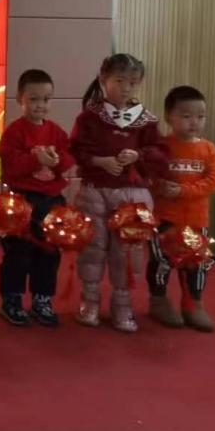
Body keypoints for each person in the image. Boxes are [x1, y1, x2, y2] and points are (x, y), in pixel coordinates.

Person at [69, 54, 168, 333]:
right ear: (104, 79)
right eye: (119, 81)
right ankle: (89, 301)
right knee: (92, 246)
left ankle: (122, 305)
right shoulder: (90, 117)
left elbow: (160, 155)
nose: (125, 88)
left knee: (127, 250)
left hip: (132, 195)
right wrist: (99, 161)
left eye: (132, 83)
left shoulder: (146, 120)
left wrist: (138, 155)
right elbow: (75, 148)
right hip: (95, 191)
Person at [0, 69, 74, 328]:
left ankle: (42, 299)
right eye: (34, 99)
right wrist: (34, 159)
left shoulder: (56, 131)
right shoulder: (15, 131)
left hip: (52, 200)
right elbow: (9, 165)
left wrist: (58, 160)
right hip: (22, 201)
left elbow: (68, 158)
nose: (40, 105)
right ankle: (12, 299)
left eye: (46, 99)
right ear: (20, 99)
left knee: (49, 253)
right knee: (18, 253)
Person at [148, 85, 215, 333]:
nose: (194, 122)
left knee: (196, 263)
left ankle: (193, 304)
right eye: (186, 116)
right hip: (165, 218)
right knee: (162, 261)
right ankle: (158, 300)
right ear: (169, 116)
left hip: (196, 219)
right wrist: (160, 186)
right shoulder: (161, 147)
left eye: (200, 116)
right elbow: (149, 175)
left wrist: (182, 190)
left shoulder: (208, 149)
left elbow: (213, 181)